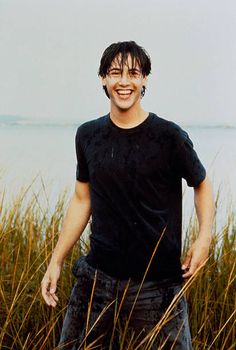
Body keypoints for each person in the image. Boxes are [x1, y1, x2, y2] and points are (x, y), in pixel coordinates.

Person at [41, 41, 215, 350]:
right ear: (103, 79)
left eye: (133, 73)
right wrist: (56, 260)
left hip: (157, 284)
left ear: (145, 79)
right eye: (116, 73)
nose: (124, 81)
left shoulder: (169, 137)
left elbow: (201, 184)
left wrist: (204, 239)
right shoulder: (88, 135)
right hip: (97, 278)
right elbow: (83, 199)